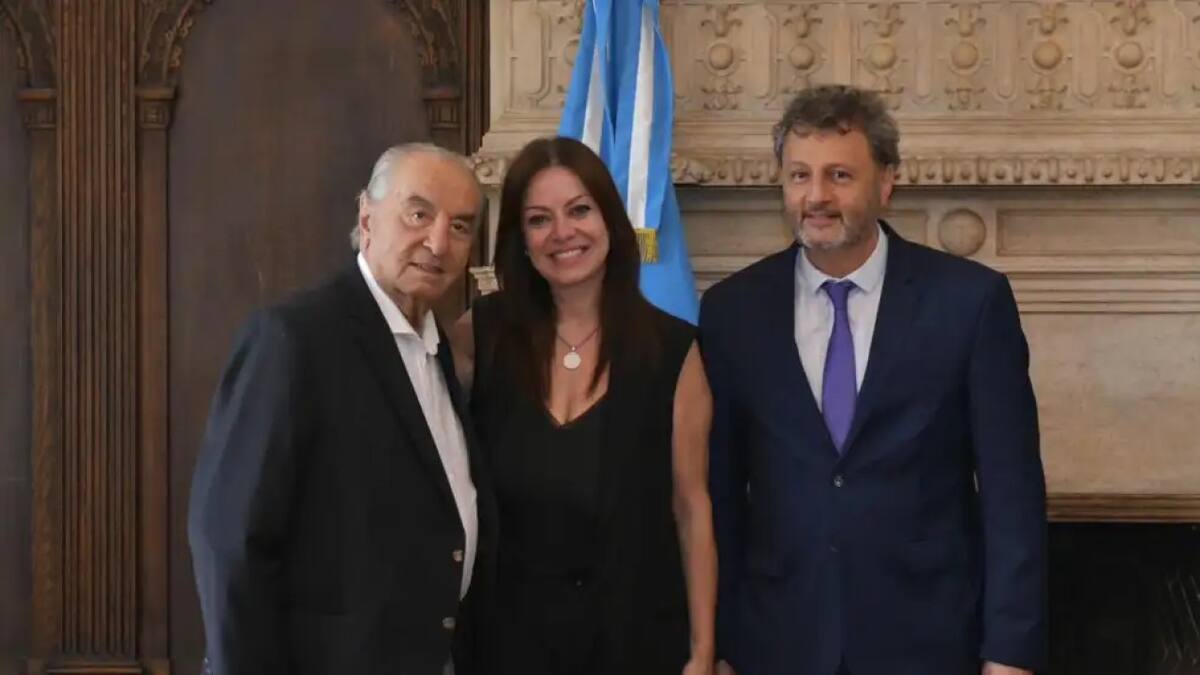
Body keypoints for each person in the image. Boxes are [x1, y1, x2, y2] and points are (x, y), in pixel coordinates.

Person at [700, 84, 1047, 675]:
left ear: (885, 182)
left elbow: (1012, 496)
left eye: (839, 175)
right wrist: (719, 644)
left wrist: (1009, 654)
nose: (816, 196)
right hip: (777, 642)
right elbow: (720, 494)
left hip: (928, 641)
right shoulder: (734, 310)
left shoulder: (970, 303)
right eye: (799, 175)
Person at [188, 143, 495, 675]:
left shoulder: (437, 346)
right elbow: (230, 542)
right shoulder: (294, 340)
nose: (439, 242)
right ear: (367, 217)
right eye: (418, 213)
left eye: (461, 226)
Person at [447, 136, 717, 675]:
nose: (563, 233)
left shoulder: (675, 350)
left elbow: (692, 509)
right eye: (539, 219)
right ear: (520, 239)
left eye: (579, 210)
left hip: (635, 641)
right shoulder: (478, 334)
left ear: (611, 223)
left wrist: (703, 651)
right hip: (505, 645)